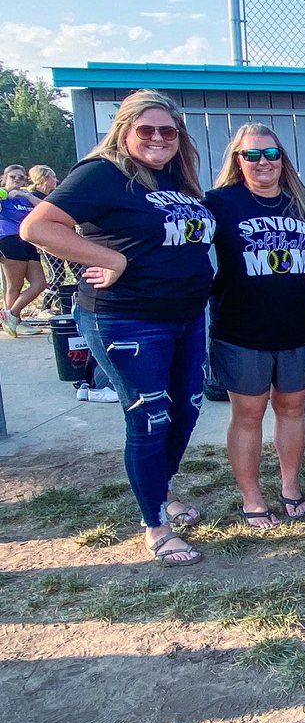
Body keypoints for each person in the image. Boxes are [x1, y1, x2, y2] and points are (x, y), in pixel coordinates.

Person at [21, 89, 214, 565]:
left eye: (168, 131)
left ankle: (161, 492)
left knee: (186, 410)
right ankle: (156, 526)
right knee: (149, 417)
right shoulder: (102, 174)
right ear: (124, 130)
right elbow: (37, 228)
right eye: (145, 129)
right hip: (128, 317)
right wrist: (110, 258)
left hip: (185, 315)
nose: (157, 138)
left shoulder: (173, 177)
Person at [206, 124, 305, 528]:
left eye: (271, 154)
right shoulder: (220, 203)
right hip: (242, 330)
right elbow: (173, 243)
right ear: (237, 161)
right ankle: (251, 496)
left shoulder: (302, 204)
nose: (262, 163)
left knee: (293, 408)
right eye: (251, 155)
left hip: (298, 326)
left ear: (282, 159)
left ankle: (290, 486)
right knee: (248, 413)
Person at [28, 165, 83, 314]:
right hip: (49, 241)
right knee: (57, 274)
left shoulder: (54, 195)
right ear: (44, 179)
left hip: (67, 239)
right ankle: (45, 306)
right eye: (53, 177)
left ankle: (74, 302)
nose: (56, 180)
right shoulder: (33, 196)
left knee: (79, 271)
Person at [0, 164, 47, 335]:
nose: (17, 180)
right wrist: (5, 194)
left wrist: (23, 193)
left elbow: (44, 207)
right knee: (15, 285)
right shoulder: (3, 196)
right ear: (4, 178)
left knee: (40, 283)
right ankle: (15, 321)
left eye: (21, 177)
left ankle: (11, 315)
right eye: (13, 177)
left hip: (28, 240)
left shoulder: (25, 196)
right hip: (9, 239)